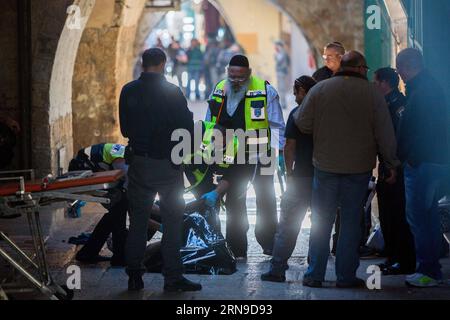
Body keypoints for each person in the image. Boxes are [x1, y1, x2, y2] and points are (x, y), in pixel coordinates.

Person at [296, 51, 400, 288]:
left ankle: (314, 275)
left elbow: (302, 122)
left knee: (321, 221)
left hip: (325, 166)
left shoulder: (320, 89)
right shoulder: (372, 94)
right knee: (351, 223)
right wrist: (391, 162)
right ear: (360, 69)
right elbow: (385, 132)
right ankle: (345, 276)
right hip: (358, 168)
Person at [119, 48, 201, 292]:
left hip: (139, 165)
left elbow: (125, 130)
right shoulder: (172, 92)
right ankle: (172, 278)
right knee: (173, 222)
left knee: (137, 222)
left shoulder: (128, 90)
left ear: (142, 64)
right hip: (167, 164)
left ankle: (134, 275)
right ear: (163, 64)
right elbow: (187, 128)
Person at [205, 54, 286, 259]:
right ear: (227, 72)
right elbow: (209, 121)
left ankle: (268, 242)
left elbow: (277, 124)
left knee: (266, 199)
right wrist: (208, 149)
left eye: (240, 76)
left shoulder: (265, 89)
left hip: (261, 156)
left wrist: (281, 152)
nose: (235, 80)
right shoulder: (219, 88)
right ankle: (236, 247)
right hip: (232, 157)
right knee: (234, 200)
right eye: (232, 75)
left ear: (248, 73)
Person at [396, 48, 450, 287]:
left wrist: (409, 157)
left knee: (421, 217)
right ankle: (430, 267)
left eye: (400, 71)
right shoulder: (429, 88)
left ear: (406, 67)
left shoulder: (422, 92)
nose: (401, 77)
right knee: (426, 216)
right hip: (430, 161)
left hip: (423, 164)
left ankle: (429, 270)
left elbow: (418, 130)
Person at [261, 76, 317, 282]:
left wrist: (290, 173)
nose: (295, 97)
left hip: (301, 176)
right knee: (321, 223)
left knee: (288, 225)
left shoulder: (297, 114)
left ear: (303, 90)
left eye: (296, 92)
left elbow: (289, 146)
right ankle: (315, 269)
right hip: (323, 175)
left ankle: (277, 269)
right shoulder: (326, 115)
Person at [373, 67, 416, 276]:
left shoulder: (396, 105)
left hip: (394, 166)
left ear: (384, 83)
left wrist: (393, 165)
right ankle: (393, 257)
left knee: (397, 215)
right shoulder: (388, 103)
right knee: (387, 214)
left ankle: (402, 259)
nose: (374, 86)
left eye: (376, 82)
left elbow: (397, 138)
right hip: (387, 164)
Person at [69, 143, 129, 267]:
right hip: (81, 167)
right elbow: (125, 182)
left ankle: (90, 253)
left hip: (88, 166)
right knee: (120, 207)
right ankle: (118, 257)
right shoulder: (122, 160)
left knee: (117, 210)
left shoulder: (126, 156)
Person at [274, 41, 291, 109]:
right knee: (280, 88)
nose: (275, 47)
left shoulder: (282, 53)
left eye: (277, 46)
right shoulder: (279, 53)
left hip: (282, 72)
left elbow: (283, 61)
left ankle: (283, 104)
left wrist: (285, 68)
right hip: (280, 72)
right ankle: (282, 103)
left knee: (282, 88)